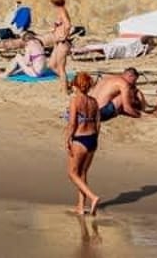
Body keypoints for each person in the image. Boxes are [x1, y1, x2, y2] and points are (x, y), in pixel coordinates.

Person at [65, 72, 102, 216]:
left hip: (80, 138)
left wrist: (68, 139)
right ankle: (80, 206)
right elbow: (98, 123)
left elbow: (72, 123)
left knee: (72, 173)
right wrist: (95, 140)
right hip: (92, 139)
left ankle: (93, 197)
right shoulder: (94, 101)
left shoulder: (75, 100)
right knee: (83, 173)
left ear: (76, 85)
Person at [49, 0, 74, 93]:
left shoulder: (62, 11)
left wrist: (64, 36)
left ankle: (65, 90)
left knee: (61, 68)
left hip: (62, 43)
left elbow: (68, 25)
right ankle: (67, 83)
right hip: (58, 43)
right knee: (51, 65)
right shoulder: (61, 11)